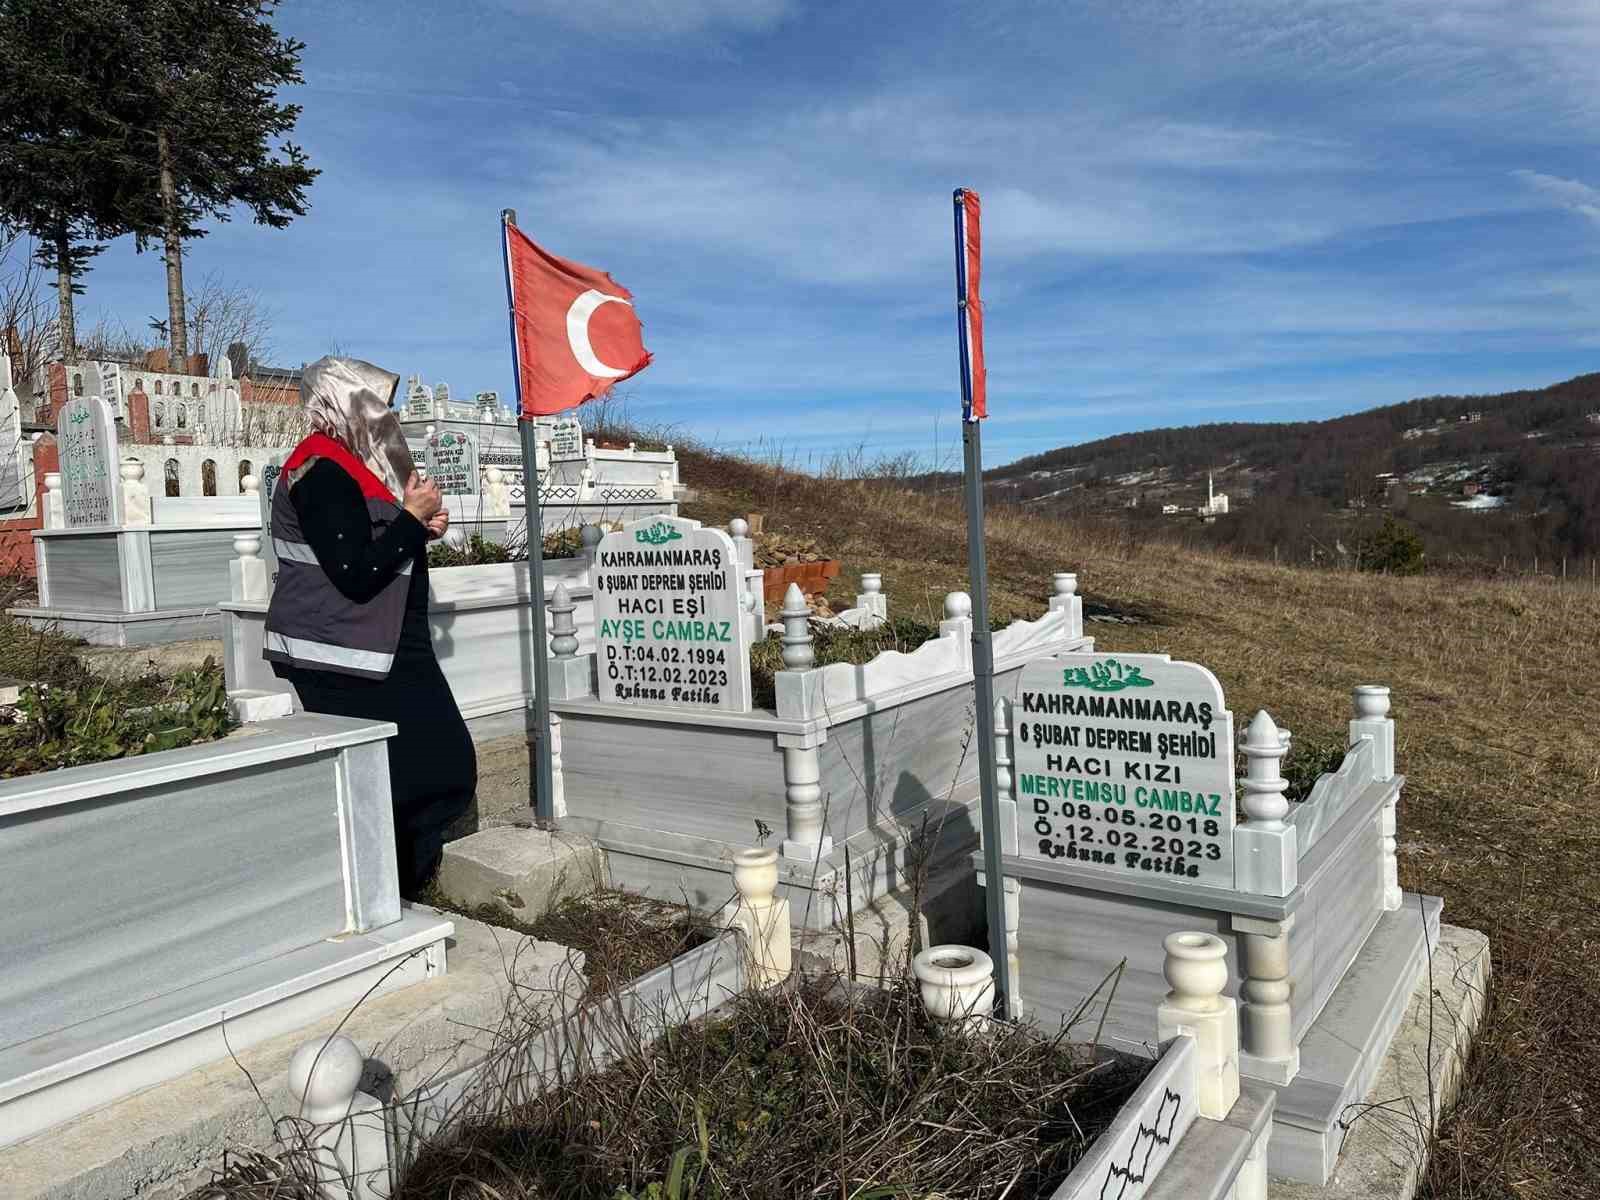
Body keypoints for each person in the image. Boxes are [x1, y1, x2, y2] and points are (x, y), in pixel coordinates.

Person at [263, 357, 476, 899]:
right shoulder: (319, 469)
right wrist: (409, 517)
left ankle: (393, 888)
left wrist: (416, 525)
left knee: (430, 772)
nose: (388, 416)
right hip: (345, 651)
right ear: (344, 404)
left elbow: (372, 549)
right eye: (376, 403)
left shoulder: (348, 465)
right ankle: (385, 892)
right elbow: (356, 572)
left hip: (380, 646)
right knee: (428, 772)